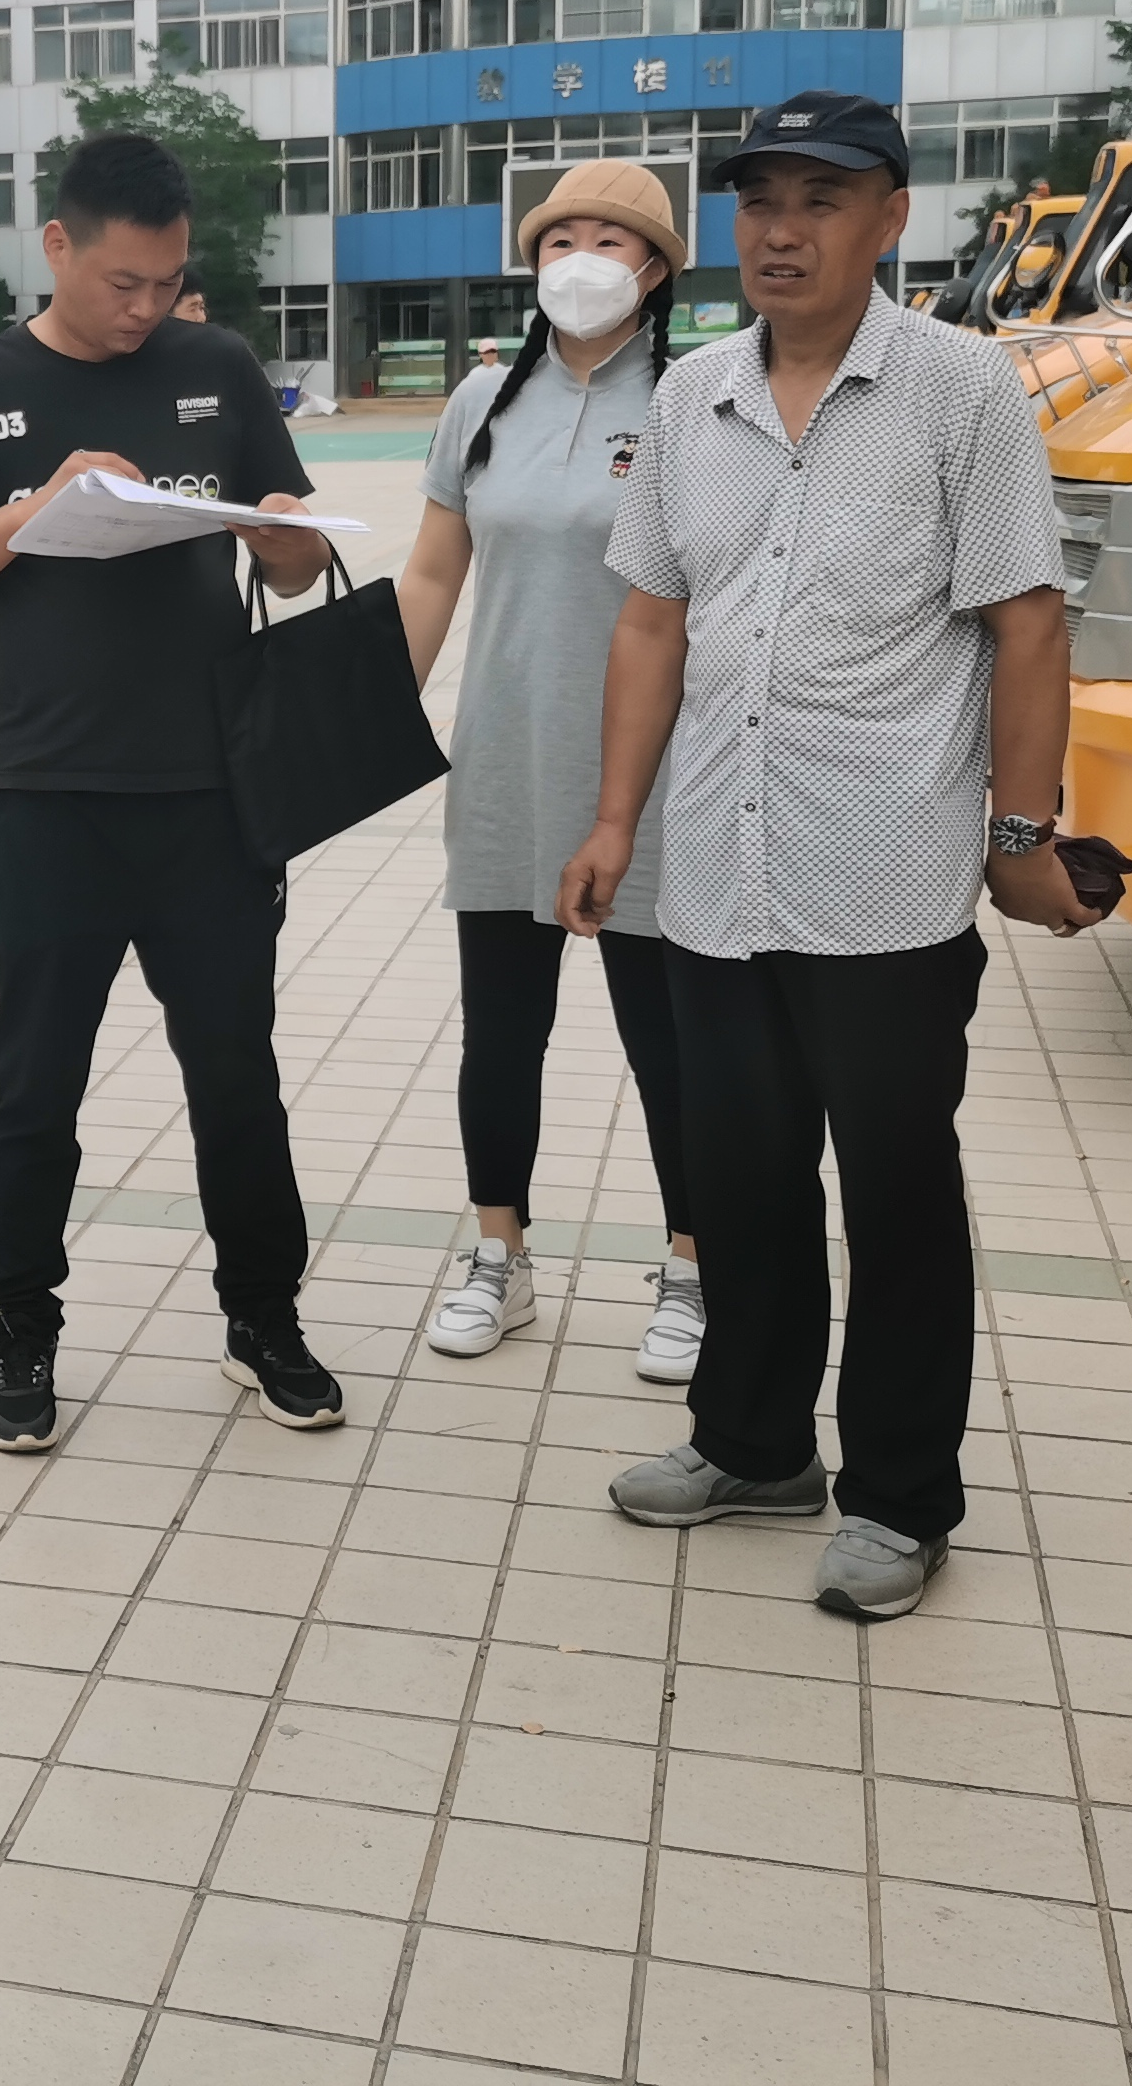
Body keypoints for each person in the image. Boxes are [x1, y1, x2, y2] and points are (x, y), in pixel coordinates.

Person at [556, 92, 1099, 1622]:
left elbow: (1028, 625)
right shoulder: (692, 399)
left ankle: (902, 1497)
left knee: (898, 1188)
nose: (781, 231)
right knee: (740, 1180)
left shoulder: (959, 391)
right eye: (760, 202)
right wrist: (613, 822)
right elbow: (653, 618)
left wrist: (1018, 835)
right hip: (717, 869)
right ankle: (751, 1445)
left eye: (820, 199)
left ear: (888, 219)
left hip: (888, 877)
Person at [0, 133, 342, 1453]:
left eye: (170, 282)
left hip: (210, 800)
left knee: (236, 1077)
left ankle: (265, 1320)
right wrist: (35, 509)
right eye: (124, 282)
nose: (148, 309)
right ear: (60, 247)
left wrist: (280, 530)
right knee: (33, 1088)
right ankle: (23, 1333)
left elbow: (299, 563)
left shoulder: (218, 368)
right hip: (47, 801)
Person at [394, 162, 700, 1375]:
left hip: (657, 775)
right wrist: (370, 723)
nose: (580, 256)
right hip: (511, 759)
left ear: (659, 269)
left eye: (611, 238)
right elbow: (432, 575)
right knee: (500, 1032)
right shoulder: (483, 402)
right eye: (559, 234)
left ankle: (692, 1266)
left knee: (668, 1040)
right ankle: (497, 1255)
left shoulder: (697, 397)